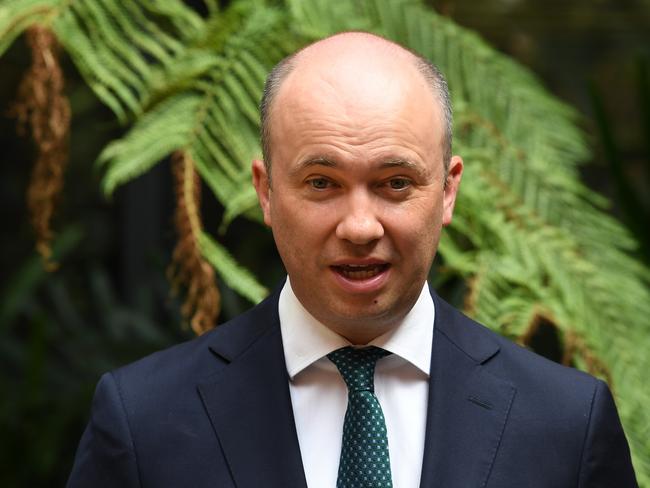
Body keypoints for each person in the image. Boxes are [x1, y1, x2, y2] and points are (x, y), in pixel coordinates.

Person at [67, 32, 638, 487]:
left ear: (446, 191)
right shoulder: (144, 421)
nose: (360, 227)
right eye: (321, 182)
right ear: (266, 193)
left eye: (394, 183)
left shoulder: (566, 425)